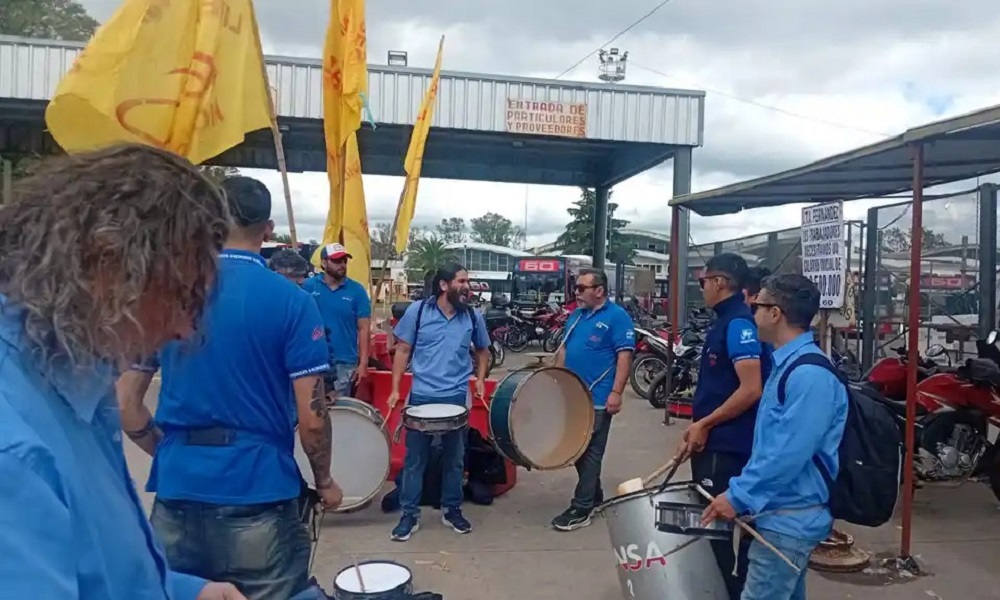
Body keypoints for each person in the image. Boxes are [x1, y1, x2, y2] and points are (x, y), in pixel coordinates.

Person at [0, 144, 245, 599]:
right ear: (108, 262)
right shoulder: (13, 449)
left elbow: (94, 570)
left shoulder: (69, 379)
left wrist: (180, 591)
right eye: (182, 295)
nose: (184, 328)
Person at [116, 176, 342, 600]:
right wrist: (324, 480)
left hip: (177, 491)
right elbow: (312, 420)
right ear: (268, 229)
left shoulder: (171, 294)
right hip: (259, 494)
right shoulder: (293, 301)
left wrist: (168, 449)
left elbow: (127, 405)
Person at [702, 274, 847, 600]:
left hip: (789, 522)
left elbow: (788, 454)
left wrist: (738, 496)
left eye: (757, 306)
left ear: (775, 313)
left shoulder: (808, 375)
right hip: (781, 516)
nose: (752, 313)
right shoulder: (788, 363)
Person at [679, 253, 768, 599]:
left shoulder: (739, 325)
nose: (701, 288)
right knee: (717, 530)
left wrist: (705, 424)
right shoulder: (725, 321)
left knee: (716, 530)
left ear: (719, 282)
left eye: (703, 282)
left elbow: (751, 388)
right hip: (716, 440)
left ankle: (729, 592)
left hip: (728, 446)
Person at [387, 263, 491, 541]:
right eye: (462, 281)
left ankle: (452, 509)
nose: (467, 286)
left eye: (468, 280)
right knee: (414, 460)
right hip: (421, 395)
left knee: (455, 459)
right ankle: (409, 514)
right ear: (445, 285)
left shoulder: (472, 316)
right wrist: (396, 388)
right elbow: (403, 350)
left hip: (457, 395)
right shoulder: (418, 311)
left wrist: (480, 379)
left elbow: (483, 351)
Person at [552, 268, 635, 531]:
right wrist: (556, 380)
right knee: (576, 449)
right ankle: (594, 493)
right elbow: (564, 348)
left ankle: (582, 506)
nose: (575, 293)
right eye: (575, 288)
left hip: (598, 397)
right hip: (573, 396)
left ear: (599, 290)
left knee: (589, 452)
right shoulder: (576, 317)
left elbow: (624, 356)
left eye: (581, 288)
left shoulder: (617, 317)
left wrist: (617, 392)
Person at [304, 242, 371, 396]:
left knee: (338, 412)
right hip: (313, 359)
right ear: (324, 263)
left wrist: (363, 363)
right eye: (336, 261)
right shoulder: (308, 287)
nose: (342, 265)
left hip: (345, 361)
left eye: (344, 261)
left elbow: (364, 328)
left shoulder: (357, 291)